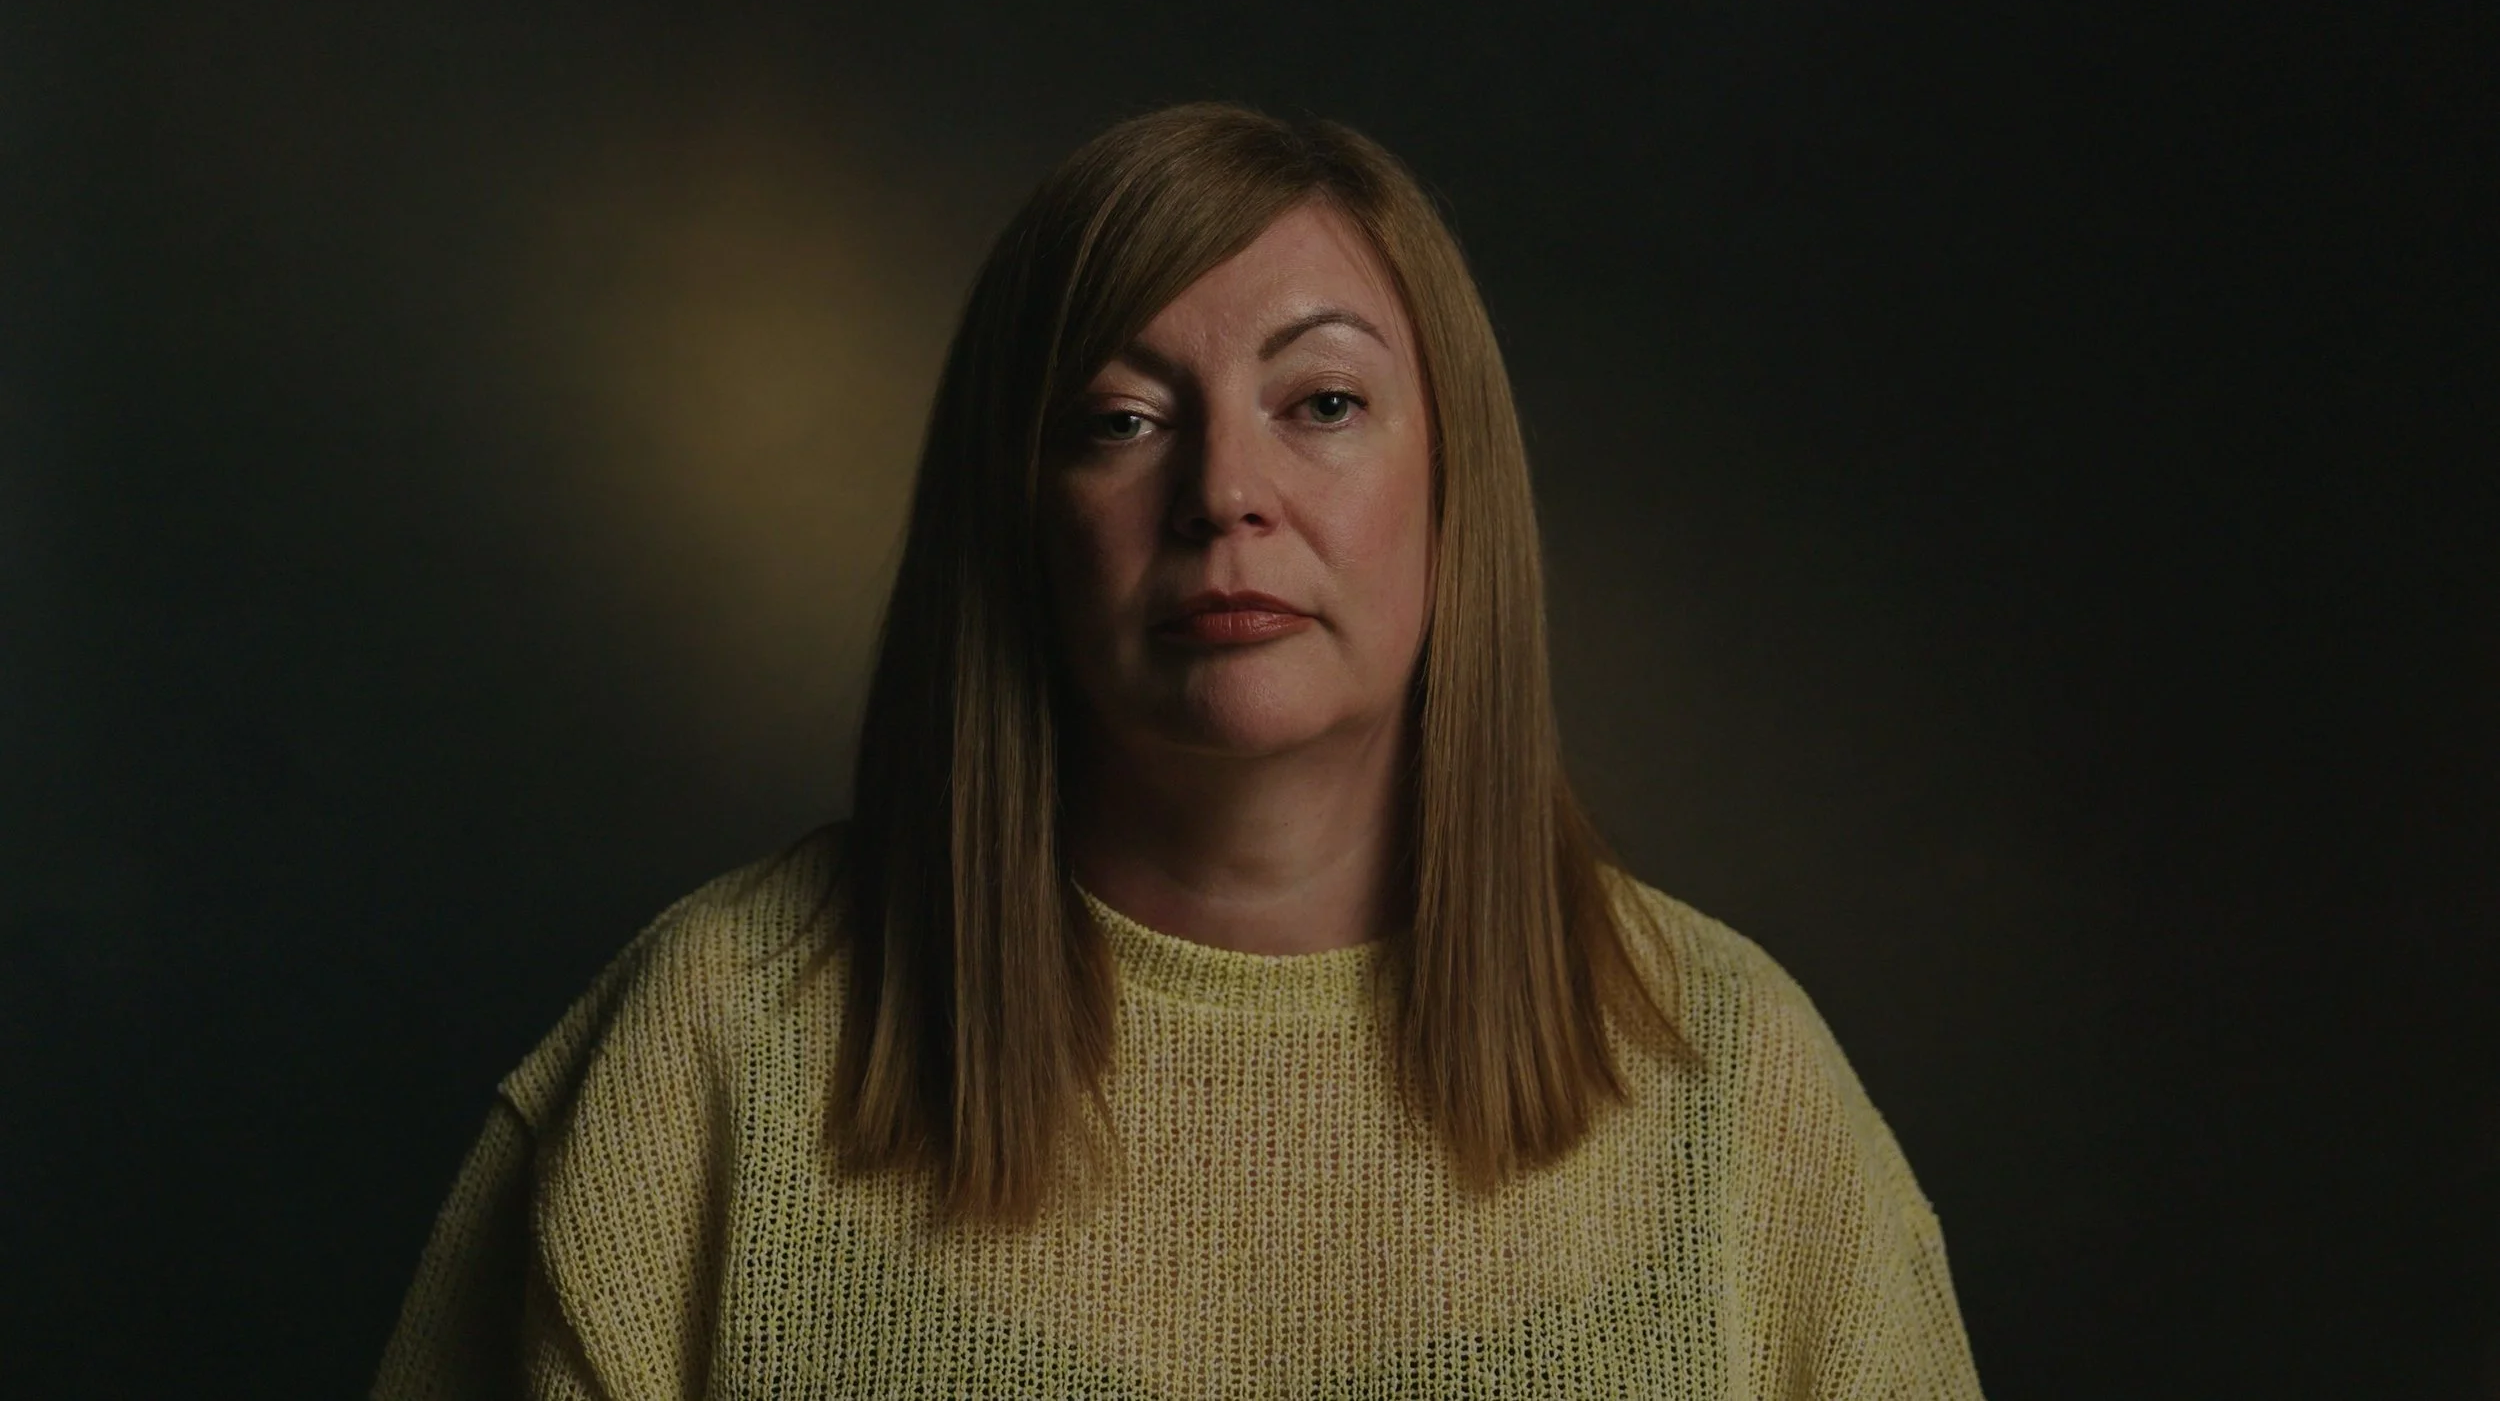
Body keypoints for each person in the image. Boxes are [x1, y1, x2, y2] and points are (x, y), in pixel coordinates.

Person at [373, 102, 1985, 1399]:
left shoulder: (1736, 1083)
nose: (1226, 489)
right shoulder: (712, 1045)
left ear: (1455, 489)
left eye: (1325, 402)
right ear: (1016, 523)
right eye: (1120, 419)